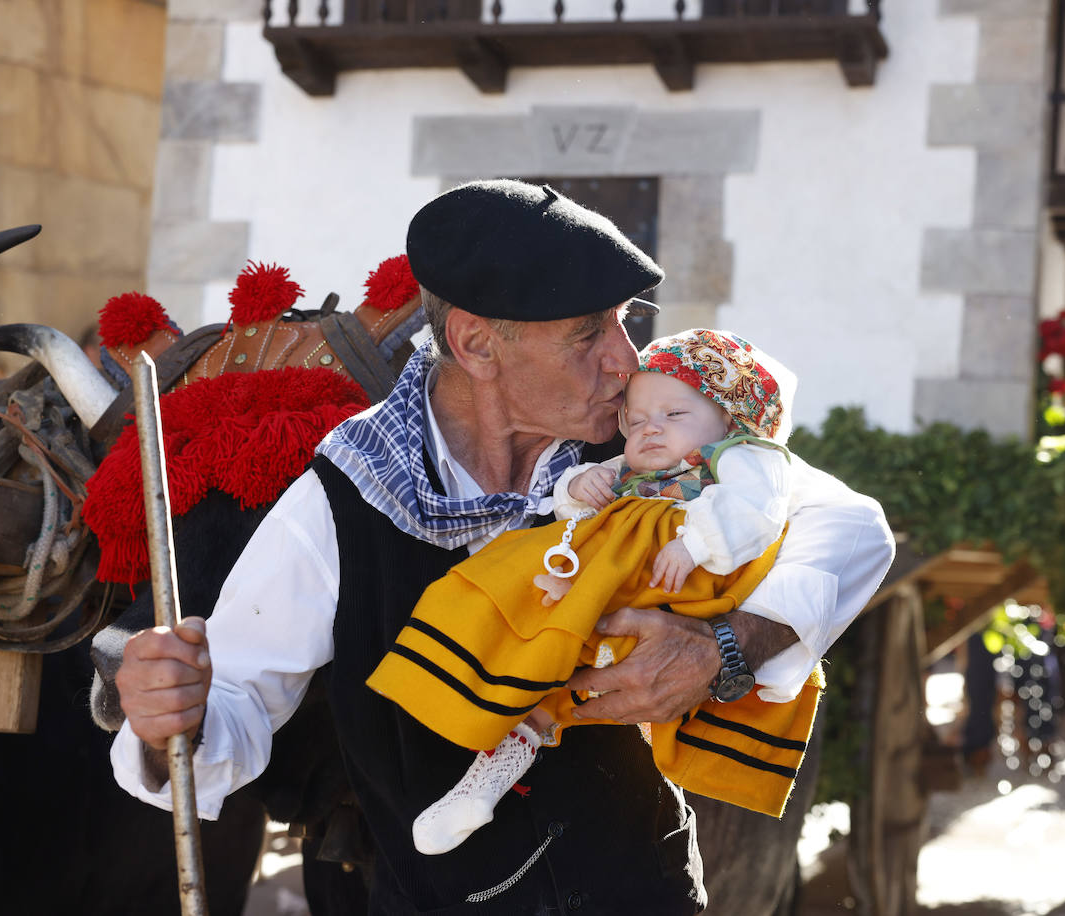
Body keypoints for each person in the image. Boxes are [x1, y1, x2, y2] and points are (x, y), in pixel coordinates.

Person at [110, 180, 895, 913]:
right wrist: (163, 718)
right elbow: (235, 705)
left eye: (626, 321)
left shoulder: (642, 448)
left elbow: (852, 527)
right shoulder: (347, 497)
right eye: (590, 333)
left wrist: (728, 645)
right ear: (477, 344)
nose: (627, 361)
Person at [388, 329, 827, 855]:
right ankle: (493, 764)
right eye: (637, 420)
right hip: (618, 578)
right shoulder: (637, 467)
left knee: (579, 658)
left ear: (728, 417)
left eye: (673, 415)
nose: (651, 429)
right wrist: (580, 487)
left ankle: (511, 739)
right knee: (518, 596)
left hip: (685, 582)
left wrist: (694, 544)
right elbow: (581, 502)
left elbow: (759, 509)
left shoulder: (739, 455)